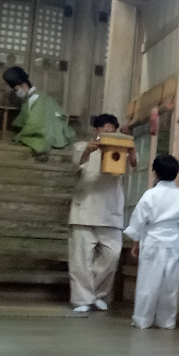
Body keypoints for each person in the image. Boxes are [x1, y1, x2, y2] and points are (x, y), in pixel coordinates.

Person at [68, 113, 137, 314]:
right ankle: (82, 299)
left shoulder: (121, 148)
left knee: (112, 256)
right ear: (95, 130)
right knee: (81, 259)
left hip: (111, 211)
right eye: (104, 130)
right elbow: (75, 166)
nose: (108, 134)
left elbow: (134, 166)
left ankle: (97, 294)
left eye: (112, 131)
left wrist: (131, 150)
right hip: (84, 210)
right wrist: (89, 150)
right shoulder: (82, 146)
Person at [123, 154, 179, 330]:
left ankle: (142, 320)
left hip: (152, 241)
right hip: (173, 242)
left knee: (147, 283)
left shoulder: (151, 195)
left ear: (155, 172)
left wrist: (136, 240)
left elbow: (139, 220)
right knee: (169, 285)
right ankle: (166, 321)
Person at [2, 66, 72, 160]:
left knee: (30, 139)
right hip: (46, 127)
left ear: (23, 85)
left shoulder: (38, 98)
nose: (16, 92)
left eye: (16, 89)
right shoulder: (31, 97)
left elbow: (36, 122)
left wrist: (23, 133)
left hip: (52, 130)